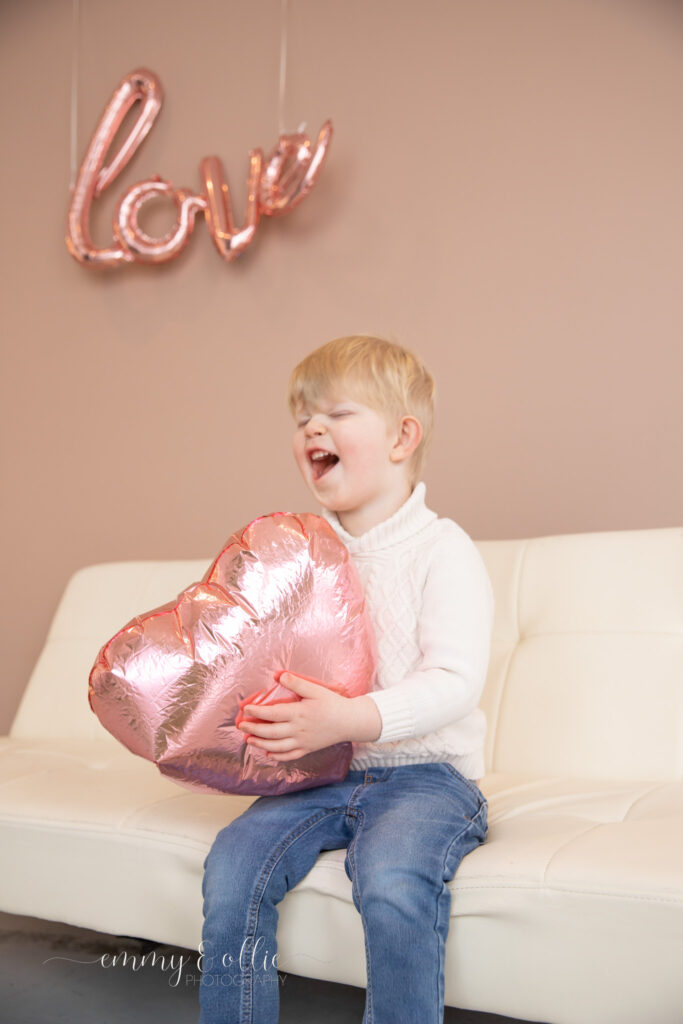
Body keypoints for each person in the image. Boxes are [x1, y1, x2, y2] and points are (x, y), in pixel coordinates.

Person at [198, 335, 495, 1024]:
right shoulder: (303, 555)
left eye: (336, 413)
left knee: (392, 882)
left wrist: (351, 718)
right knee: (231, 868)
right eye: (302, 417)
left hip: (426, 777)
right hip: (321, 774)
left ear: (402, 437)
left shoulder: (442, 550)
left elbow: (453, 680)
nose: (311, 427)